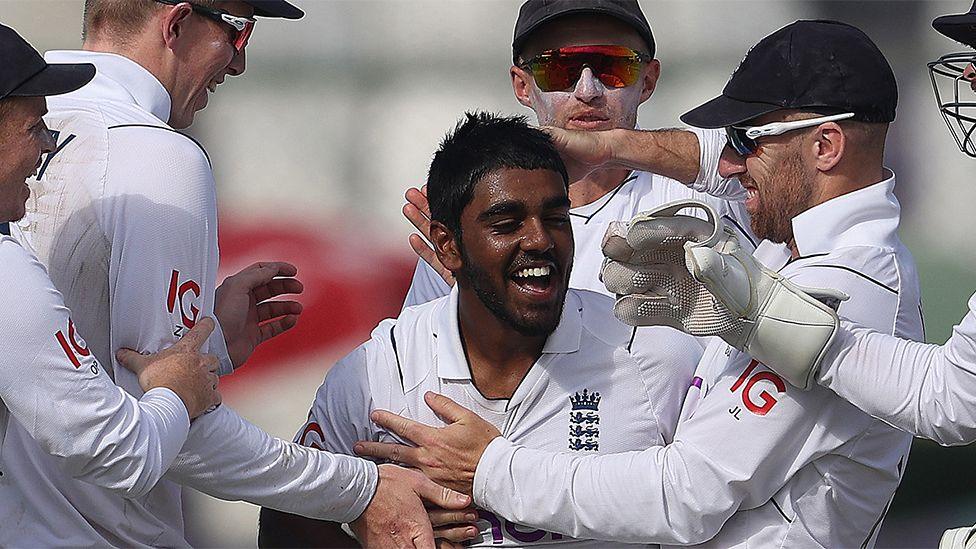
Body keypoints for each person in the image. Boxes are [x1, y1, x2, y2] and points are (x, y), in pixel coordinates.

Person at [354, 20, 922, 548]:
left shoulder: (839, 291)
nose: (726, 167)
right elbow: (705, 158)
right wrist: (610, 147)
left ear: (825, 147)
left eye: (746, 143)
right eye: (557, 67)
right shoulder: (793, 242)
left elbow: (686, 496)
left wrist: (490, 471)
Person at [3, 2, 468, 547]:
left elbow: (68, 370)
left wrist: (209, 345)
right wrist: (362, 487)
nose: (239, 64)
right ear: (175, 24)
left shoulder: (38, 105)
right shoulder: (155, 154)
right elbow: (161, 437)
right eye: (238, 31)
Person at [259, 112, 703, 547]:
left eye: (555, 217)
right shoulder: (378, 375)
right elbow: (287, 521)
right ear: (448, 245)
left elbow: (713, 505)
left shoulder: (656, 356)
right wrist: (370, 515)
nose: (540, 241)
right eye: (507, 224)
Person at [0, 19, 221, 509]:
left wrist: (216, 339)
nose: (45, 147)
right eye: (35, 126)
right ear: (177, 23)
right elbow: (124, 454)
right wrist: (175, 393)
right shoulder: (4, 271)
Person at [401, 0, 754, 307]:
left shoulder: (703, 194)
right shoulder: (476, 225)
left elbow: (781, 164)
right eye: (560, 69)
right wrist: (486, 310)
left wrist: (611, 148)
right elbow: (419, 368)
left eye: (613, 67)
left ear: (647, 80)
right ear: (523, 86)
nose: (588, 91)